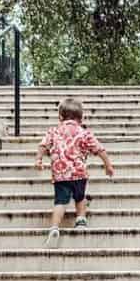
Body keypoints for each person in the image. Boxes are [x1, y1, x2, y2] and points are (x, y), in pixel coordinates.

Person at [36, 96, 115, 248]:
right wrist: (108, 165)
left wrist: (39, 160)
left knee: (60, 201)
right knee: (80, 197)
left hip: (60, 173)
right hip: (79, 173)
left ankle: (54, 227)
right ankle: (80, 220)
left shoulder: (53, 131)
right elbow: (99, 149)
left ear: (60, 117)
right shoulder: (84, 132)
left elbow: (43, 145)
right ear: (81, 118)